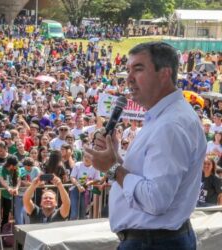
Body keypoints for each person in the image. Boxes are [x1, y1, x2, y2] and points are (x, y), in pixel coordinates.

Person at [87, 42, 206, 249]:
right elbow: (149, 177)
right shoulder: (165, 117)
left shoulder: (171, 125)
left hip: (154, 243)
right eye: (128, 70)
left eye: (138, 69)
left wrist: (112, 168)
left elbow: (155, 200)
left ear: (164, 74)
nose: (129, 78)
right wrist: (115, 157)